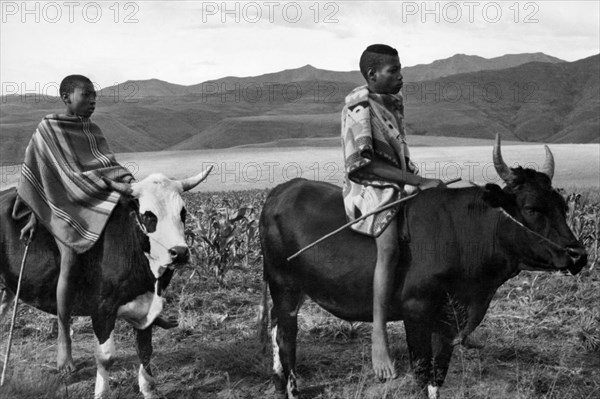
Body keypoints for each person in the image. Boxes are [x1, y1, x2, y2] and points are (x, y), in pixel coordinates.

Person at [16, 74, 134, 372]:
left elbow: (107, 166)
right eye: (87, 94)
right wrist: (35, 213)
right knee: (69, 260)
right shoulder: (48, 129)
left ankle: (141, 307)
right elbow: (37, 172)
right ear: (67, 96)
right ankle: (63, 339)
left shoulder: (92, 130)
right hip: (60, 206)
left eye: (96, 95)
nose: (94, 100)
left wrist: (129, 184)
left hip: (91, 201)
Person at [341, 44, 445, 380]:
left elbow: (398, 152)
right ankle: (379, 338)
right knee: (389, 249)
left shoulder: (392, 103)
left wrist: (418, 178)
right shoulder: (358, 107)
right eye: (394, 70)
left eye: (401, 69)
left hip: (398, 182)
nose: (401, 76)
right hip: (370, 188)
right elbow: (362, 164)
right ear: (373, 75)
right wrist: (417, 180)